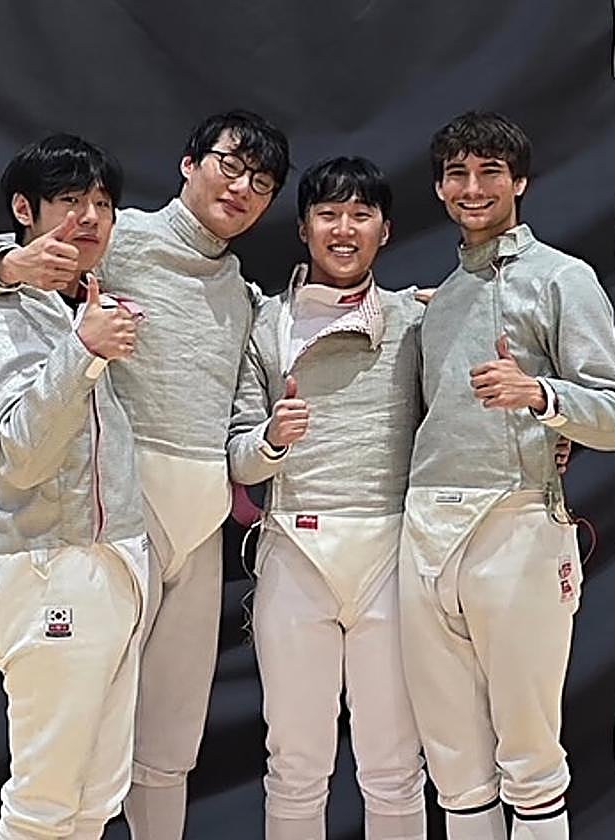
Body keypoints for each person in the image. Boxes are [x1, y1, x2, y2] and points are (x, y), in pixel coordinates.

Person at [0, 110, 291, 840]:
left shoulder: (242, 293)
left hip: (180, 531)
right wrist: (9, 264)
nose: (242, 188)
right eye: (230, 165)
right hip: (92, 529)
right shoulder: (110, 235)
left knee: (154, 753)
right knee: (53, 782)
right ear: (189, 163)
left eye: (262, 182)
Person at [398, 112, 615, 840]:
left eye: (490, 173)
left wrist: (541, 395)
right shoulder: (439, 300)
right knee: (453, 762)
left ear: (520, 182)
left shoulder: (562, 278)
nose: (473, 189)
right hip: (424, 529)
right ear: (440, 189)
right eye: (458, 174)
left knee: (530, 755)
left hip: (517, 525)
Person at [0, 134, 148, 839]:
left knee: (96, 799)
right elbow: (20, 457)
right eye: (70, 201)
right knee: (44, 801)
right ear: (25, 211)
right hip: (45, 569)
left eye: (102, 203)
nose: (90, 217)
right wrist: (83, 352)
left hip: (113, 562)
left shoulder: (90, 306)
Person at [228, 157, 427, 840]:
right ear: (305, 227)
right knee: (295, 763)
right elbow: (240, 457)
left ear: (385, 230)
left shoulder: (415, 319)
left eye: (360, 214)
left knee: (395, 764)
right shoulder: (264, 325)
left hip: (392, 558)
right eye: (329, 214)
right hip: (294, 554)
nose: (344, 229)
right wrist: (273, 441)